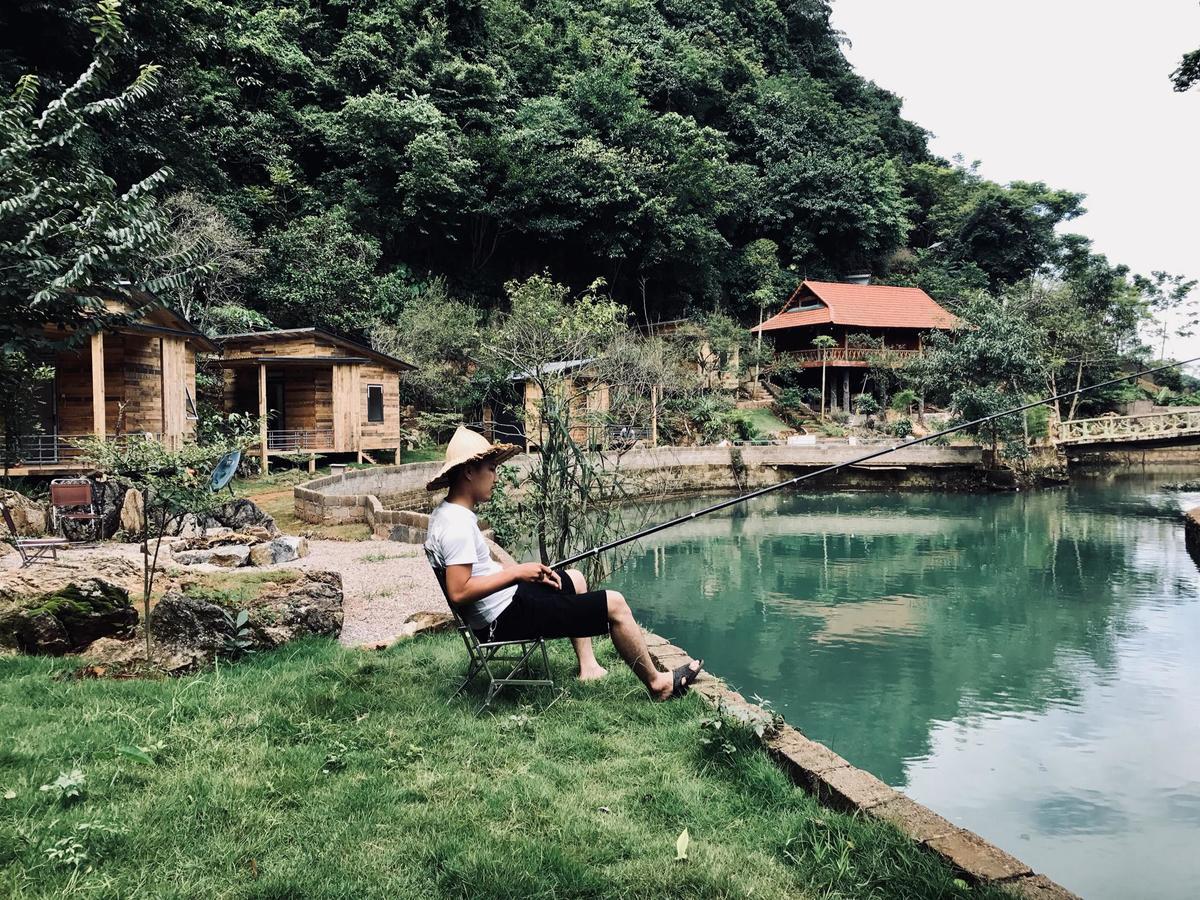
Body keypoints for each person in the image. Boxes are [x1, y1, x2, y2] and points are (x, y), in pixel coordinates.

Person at [424, 426, 702, 700]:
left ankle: (589, 667)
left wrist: (523, 576)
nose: (496, 477)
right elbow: (459, 592)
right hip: (503, 618)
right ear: (469, 472)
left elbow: (474, 579)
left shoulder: (447, 515)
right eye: (491, 468)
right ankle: (658, 684)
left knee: (576, 578)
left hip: (502, 605)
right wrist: (518, 573)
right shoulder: (458, 526)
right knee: (615, 603)